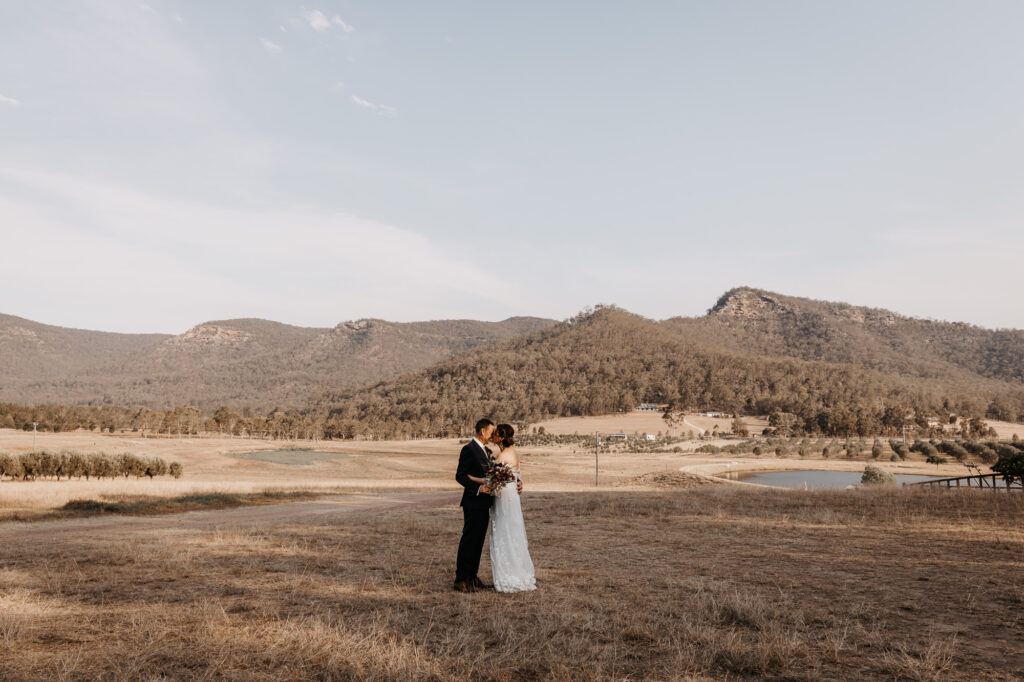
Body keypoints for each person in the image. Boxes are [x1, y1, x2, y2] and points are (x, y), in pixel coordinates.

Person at [453, 418, 524, 592]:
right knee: (469, 541)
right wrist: (478, 488)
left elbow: (503, 472)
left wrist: (518, 481)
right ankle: (461, 579)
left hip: (485, 504)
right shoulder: (468, 449)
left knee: (478, 542)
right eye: (491, 432)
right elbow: (460, 476)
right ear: (483, 431)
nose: (493, 435)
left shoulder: (487, 451)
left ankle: (472, 576)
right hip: (473, 502)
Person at [471, 423, 536, 592]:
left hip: (504, 498)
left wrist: (472, 478)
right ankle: (516, 573)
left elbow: (491, 479)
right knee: (510, 532)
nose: (492, 437)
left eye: (495, 434)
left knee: (504, 532)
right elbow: (516, 474)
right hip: (509, 496)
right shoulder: (511, 453)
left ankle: (509, 577)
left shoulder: (504, 455)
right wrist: (519, 482)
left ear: (500, 437)